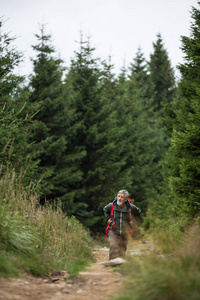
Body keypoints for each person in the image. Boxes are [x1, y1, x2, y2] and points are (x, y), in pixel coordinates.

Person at [103, 189, 141, 260]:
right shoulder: (111, 206)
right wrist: (108, 219)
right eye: (118, 196)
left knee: (122, 249)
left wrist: (133, 221)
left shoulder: (130, 207)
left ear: (126, 199)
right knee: (113, 245)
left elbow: (138, 212)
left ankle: (120, 266)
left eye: (122, 197)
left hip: (125, 232)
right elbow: (105, 209)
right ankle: (112, 264)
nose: (119, 199)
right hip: (113, 230)